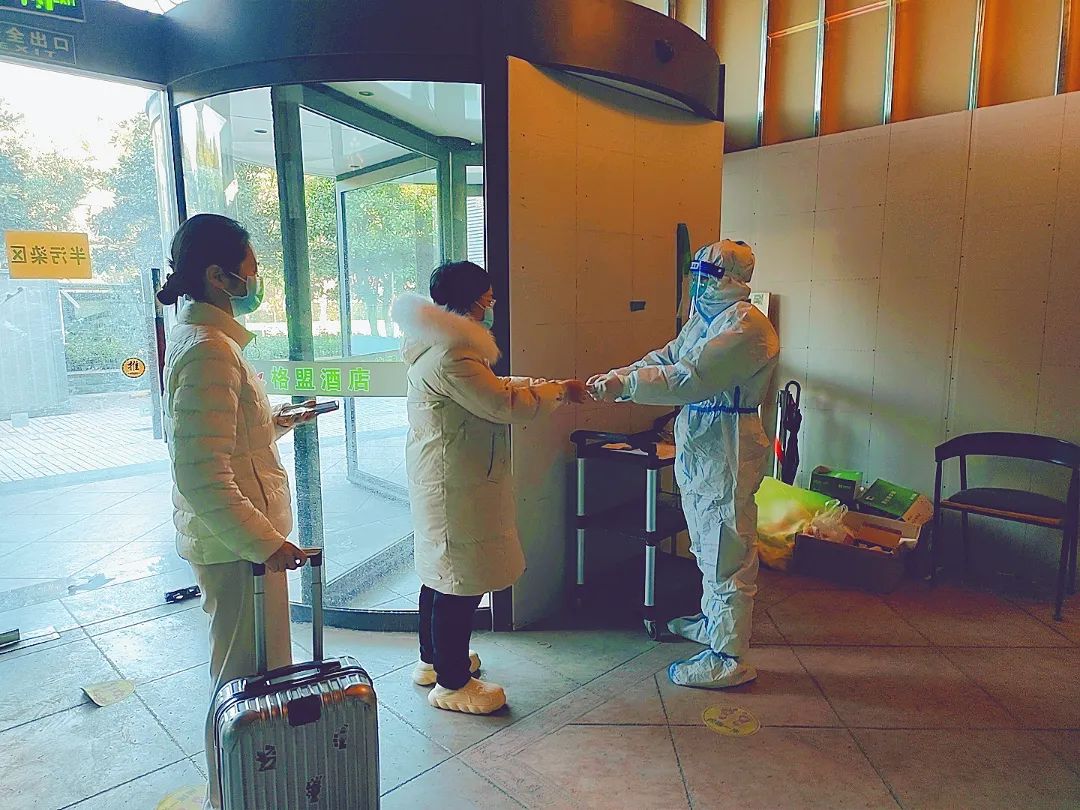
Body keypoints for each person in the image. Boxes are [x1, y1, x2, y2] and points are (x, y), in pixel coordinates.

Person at [158, 214, 317, 810]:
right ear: (218, 276)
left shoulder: (212, 343)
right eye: (251, 267)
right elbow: (201, 472)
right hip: (237, 549)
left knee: (259, 674)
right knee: (240, 683)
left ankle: (257, 789)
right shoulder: (208, 350)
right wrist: (265, 543)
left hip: (241, 543)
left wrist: (276, 421)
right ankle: (230, 795)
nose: (257, 278)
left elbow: (225, 439)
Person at [392, 261, 588, 715]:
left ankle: (434, 661)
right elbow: (504, 405)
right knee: (458, 581)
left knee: (441, 574)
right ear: (474, 301)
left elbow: (491, 387)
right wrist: (560, 392)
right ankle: (453, 683)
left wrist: (544, 385)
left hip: (448, 476)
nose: (492, 305)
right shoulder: (453, 355)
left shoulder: (437, 345)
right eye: (489, 298)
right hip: (456, 484)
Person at [589, 239, 779, 689]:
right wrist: (621, 375)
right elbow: (669, 357)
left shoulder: (748, 326)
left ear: (730, 279)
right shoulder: (706, 319)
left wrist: (628, 387)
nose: (696, 284)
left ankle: (729, 656)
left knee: (727, 550)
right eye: (694, 275)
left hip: (728, 444)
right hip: (702, 439)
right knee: (706, 542)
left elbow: (691, 378)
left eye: (705, 276)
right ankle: (713, 623)